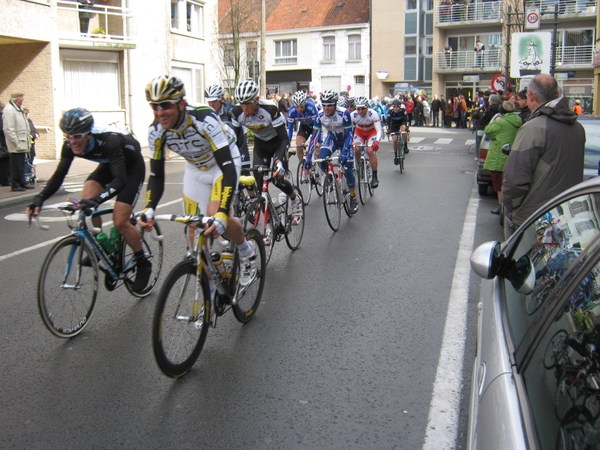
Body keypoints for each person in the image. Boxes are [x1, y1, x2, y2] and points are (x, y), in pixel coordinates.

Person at [139, 75, 258, 283]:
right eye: (154, 107)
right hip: (195, 167)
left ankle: (246, 251)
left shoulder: (204, 119)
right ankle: (209, 296)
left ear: (181, 103)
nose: (160, 113)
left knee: (214, 214)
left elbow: (228, 168)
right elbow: (156, 176)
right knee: (194, 230)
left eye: (165, 105)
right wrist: (149, 208)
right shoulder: (156, 131)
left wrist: (222, 213)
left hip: (223, 162)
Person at [26, 107, 152, 292]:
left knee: (120, 221)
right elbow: (60, 174)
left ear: (88, 134)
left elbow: (120, 180)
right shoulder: (70, 144)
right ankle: (100, 246)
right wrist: (40, 198)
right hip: (109, 165)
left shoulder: (109, 140)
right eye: (68, 136)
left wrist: (97, 200)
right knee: (86, 200)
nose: (72, 141)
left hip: (131, 169)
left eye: (77, 136)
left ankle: (142, 262)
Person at [502, 74, 586, 232]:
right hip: (567, 214)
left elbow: (515, 179)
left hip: (534, 217)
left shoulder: (534, 128)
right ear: (558, 94)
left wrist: (512, 210)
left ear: (531, 97)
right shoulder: (577, 129)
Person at [230, 80, 303, 218]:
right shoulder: (237, 112)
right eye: (241, 103)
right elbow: (237, 139)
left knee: (277, 180)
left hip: (277, 144)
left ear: (256, 100)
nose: (244, 107)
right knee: (259, 184)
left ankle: (295, 198)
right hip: (261, 145)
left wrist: (280, 161)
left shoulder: (270, 110)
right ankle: (272, 216)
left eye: (247, 103)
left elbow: (284, 138)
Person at [305, 90, 358, 212]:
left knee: (347, 168)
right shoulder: (319, 116)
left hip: (345, 141)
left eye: (329, 105)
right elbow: (314, 137)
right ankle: (331, 179)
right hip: (332, 139)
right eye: (323, 105)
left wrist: (344, 152)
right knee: (321, 158)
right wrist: (309, 157)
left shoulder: (344, 113)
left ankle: (353, 197)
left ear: (335, 105)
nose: (326, 108)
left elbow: (350, 135)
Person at [483, 101, 522, 215]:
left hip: (499, 156)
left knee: (498, 184)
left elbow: (488, 131)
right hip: (511, 156)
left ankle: (501, 206)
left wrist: (495, 121)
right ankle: (507, 206)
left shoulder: (501, 122)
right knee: (507, 183)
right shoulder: (518, 121)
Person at [205, 84, 250, 170]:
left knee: (244, 175)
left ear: (221, 99)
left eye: (214, 101)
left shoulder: (231, 111)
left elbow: (241, 135)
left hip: (238, 142)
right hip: (221, 146)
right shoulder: (207, 113)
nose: (211, 105)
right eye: (209, 102)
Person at [2, 92, 33, 192]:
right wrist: (16, 142)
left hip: (22, 142)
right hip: (17, 143)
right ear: (16, 99)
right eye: (21, 98)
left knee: (21, 164)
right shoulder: (9, 110)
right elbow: (8, 129)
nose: (23, 100)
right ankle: (15, 184)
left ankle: (22, 182)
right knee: (16, 164)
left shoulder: (18, 109)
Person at [351, 96, 383, 189]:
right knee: (356, 149)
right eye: (358, 109)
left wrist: (377, 141)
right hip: (359, 132)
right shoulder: (353, 115)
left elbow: (379, 130)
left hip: (371, 132)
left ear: (367, 107)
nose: (360, 111)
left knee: (370, 150)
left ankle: (374, 176)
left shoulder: (373, 114)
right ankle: (358, 165)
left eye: (363, 109)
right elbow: (347, 130)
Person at [286, 90, 318, 162]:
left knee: (317, 146)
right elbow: (290, 128)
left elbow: (317, 125)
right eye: (297, 107)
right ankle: (302, 164)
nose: (299, 109)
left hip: (315, 127)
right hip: (304, 127)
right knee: (299, 145)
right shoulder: (292, 111)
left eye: (301, 107)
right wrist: (288, 142)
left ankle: (320, 167)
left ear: (305, 104)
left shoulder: (311, 108)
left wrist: (315, 141)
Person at [387, 99, 409, 165]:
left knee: (403, 131)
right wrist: (388, 130)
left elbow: (406, 120)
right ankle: (396, 155)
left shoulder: (403, 111)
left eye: (397, 106)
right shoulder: (390, 112)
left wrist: (407, 129)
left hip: (401, 123)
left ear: (400, 106)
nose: (396, 108)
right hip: (394, 125)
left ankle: (405, 146)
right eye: (394, 106)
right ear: (392, 106)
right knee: (394, 140)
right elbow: (388, 121)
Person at [0, 102, 10, 186]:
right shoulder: (2, 118)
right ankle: (5, 181)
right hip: (3, 144)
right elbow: (4, 130)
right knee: (5, 163)